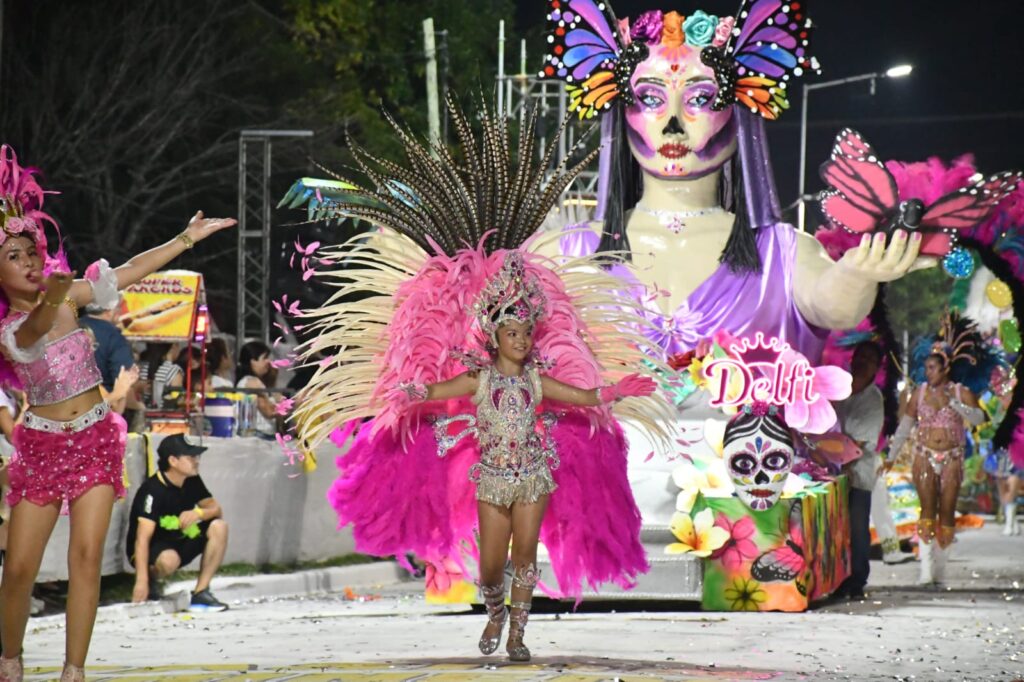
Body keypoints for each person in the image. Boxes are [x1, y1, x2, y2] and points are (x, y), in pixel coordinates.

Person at [289, 98, 671, 662]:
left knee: (525, 559)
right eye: (512, 333)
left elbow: (586, 396)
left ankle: (517, 633)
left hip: (534, 474)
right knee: (492, 565)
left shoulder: (541, 379)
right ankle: (495, 608)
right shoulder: (478, 378)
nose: (521, 340)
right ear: (494, 338)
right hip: (490, 475)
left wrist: (620, 390)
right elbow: (434, 392)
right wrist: (409, 389)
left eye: (526, 332)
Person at [0, 143, 234, 682]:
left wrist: (185, 239)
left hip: (95, 440)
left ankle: (74, 671)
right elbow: (32, 337)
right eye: (14, 257)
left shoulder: (69, 298)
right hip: (40, 447)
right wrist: (55, 295)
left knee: (86, 559)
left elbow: (126, 273)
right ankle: (9, 661)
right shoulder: (12, 329)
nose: (30, 261)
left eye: (31, 251)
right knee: (18, 569)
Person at [888, 313, 994, 585]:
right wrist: (890, 456)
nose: (928, 372)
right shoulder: (919, 393)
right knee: (926, 510)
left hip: (952, 458)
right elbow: (905, 426)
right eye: (926, 368)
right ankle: (925, 570)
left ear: (945, 368)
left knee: (946, 511)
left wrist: (955, 404)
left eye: (933, 368)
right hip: (923, 455)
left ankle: (941, 570)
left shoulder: (960, 392)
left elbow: (980, 419)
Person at [126, 434, 228, 612]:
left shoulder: (192, 480)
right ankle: (151, 581)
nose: (196, 461)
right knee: (169, 560)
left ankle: (201, 592)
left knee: (219, 527)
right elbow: (142, 539)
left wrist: (199, 513)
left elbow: (216, 509)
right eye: (190, 457)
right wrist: (141, 581)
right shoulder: (153, 490)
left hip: (180, 537)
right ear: (173, 461)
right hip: (154, 547)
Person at [833, 342, 885, 599]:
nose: (863, 361)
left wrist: (829, 454)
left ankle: (856, 580)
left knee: (856, 529)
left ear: (877, 367)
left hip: (857, 474)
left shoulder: (873, 399)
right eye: (860, 356)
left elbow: (859, 443)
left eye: (869, 359)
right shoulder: (838, 390)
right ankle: (835, 578)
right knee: (834, 528)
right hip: (831, 472)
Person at [78, 296, 134, 394]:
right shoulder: (114, 336)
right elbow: (122, 379)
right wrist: (139, 406)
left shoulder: (74, 326)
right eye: (119, 307)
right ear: (109, 311)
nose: (121, 312)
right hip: (105, 402)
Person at [235, 341, 279, 440]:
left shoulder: (248, 381)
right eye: (264, 358)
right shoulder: (252, 383)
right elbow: (268, 412)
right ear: (252, 361)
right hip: (261, 435)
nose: (268, 362)